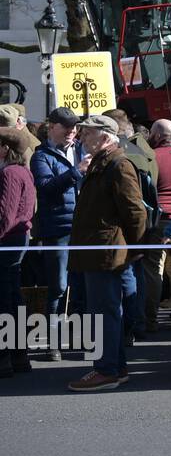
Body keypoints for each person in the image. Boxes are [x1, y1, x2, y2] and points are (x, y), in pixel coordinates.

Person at [67, 116, 149, 392]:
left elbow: (135, 211)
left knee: (104, 312)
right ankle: (116, 367)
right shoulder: (106, 163)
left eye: (87, 133)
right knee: (106, 310)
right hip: (99, 249)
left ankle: (107, 370)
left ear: (104, 137)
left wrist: (137, 248)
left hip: (106, 251)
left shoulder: (118, 164)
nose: (82, 138)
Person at [29, 107, 86, 361]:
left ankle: (81, 339)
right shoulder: (41, 156)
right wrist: (77, 172)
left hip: (83, 226)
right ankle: (53, 342)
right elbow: (45, 188)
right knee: (59, 286)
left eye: (74, 127)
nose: (72, 131)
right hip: (58, 228)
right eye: (67, 127)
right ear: (52, 127)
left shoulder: (80, 149)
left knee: (82, 285)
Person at [137, 119, 171, 332]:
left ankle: (150, 320)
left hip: (159, 220)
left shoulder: (151, 157)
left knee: (153, 269)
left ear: (157, 135)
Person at [0, 128, 36, 377]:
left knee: (4, 299)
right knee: (11, 296)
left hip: (8, 241)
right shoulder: (21, 170)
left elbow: (6, 214)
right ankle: (18, 355)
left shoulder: (10, 173)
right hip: (16, 239)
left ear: (5, 148)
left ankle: (5, 356)